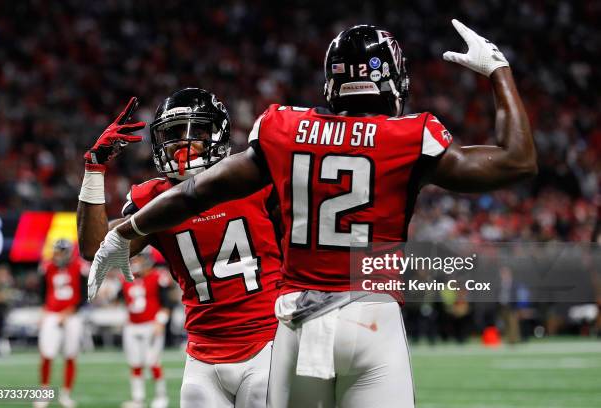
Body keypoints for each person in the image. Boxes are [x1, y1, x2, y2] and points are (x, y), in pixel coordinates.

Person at [89, 20, 537, 408]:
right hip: (370, 313)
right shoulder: (410, 135)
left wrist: (125, 231)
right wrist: (498, 70)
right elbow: (518, 160)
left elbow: (194, 192)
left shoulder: (285, 128)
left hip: (297, 320)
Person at [77, 89, 283, 408]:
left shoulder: (251, 180)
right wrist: (94, 168)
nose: (182, 143)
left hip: (267, 344)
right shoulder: (154, 199)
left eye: (196, 132)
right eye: (172, 134)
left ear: (219, 134)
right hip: (201, 354)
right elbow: (94, 246)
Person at [35, 239, 87, 408]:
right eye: (56, 251)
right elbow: (43, 293)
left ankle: (66, 394)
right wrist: (44, 311)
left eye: (60, 252)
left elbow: (85, 296)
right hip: (52, 314)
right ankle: (44, 393)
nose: (58, 255)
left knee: (70, 355)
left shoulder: (79, 267)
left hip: (72, 316)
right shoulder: (47, 267)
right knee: (47, 354)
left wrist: (69, 312)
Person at [120, 249, 171, 408]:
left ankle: (161, 396)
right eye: (134, 260)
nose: (135, 263)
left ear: (147, 260)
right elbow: (120, 300)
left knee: (153, 361)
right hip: (132, 326)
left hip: (151, 325)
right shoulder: (126, 279)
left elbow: (167, 304)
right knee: (135, 363)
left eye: (139, 259)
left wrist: (160, 322)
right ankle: (138, 399)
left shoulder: (158, 277)